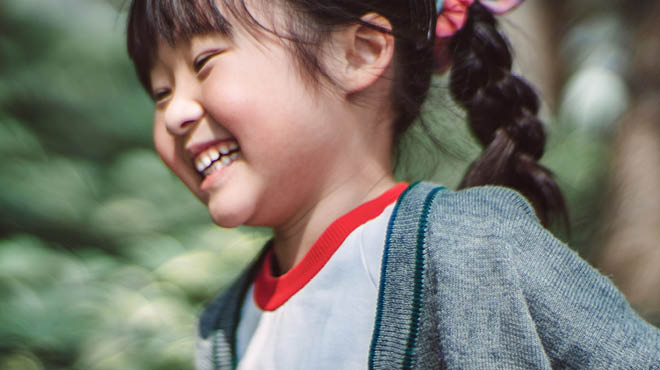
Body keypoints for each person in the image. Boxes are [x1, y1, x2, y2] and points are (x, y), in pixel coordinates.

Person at [125, 0, 660, 368]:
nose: (175, 113)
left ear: (358, 53)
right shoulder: (223, 329)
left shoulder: (470, 246)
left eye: (204, 61)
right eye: (160, 92)